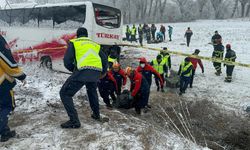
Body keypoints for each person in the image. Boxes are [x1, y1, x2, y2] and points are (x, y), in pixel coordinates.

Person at [60, 27, 108, 128]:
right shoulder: (94, 44)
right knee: (92, 92)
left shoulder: (74, 42)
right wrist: (102, 73)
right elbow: (104, 60)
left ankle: (74, 121)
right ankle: (96, 114)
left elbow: (67, 60)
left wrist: (74, 70)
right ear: (87, 35)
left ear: (77, 35)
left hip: (82, 71)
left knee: (65, 93)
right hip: (95, 72)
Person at [0, 35, 26, 142]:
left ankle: (5, 131)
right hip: (2, 82)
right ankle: (2, 127)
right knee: (7, 106)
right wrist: (21, 75)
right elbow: (7, 62)